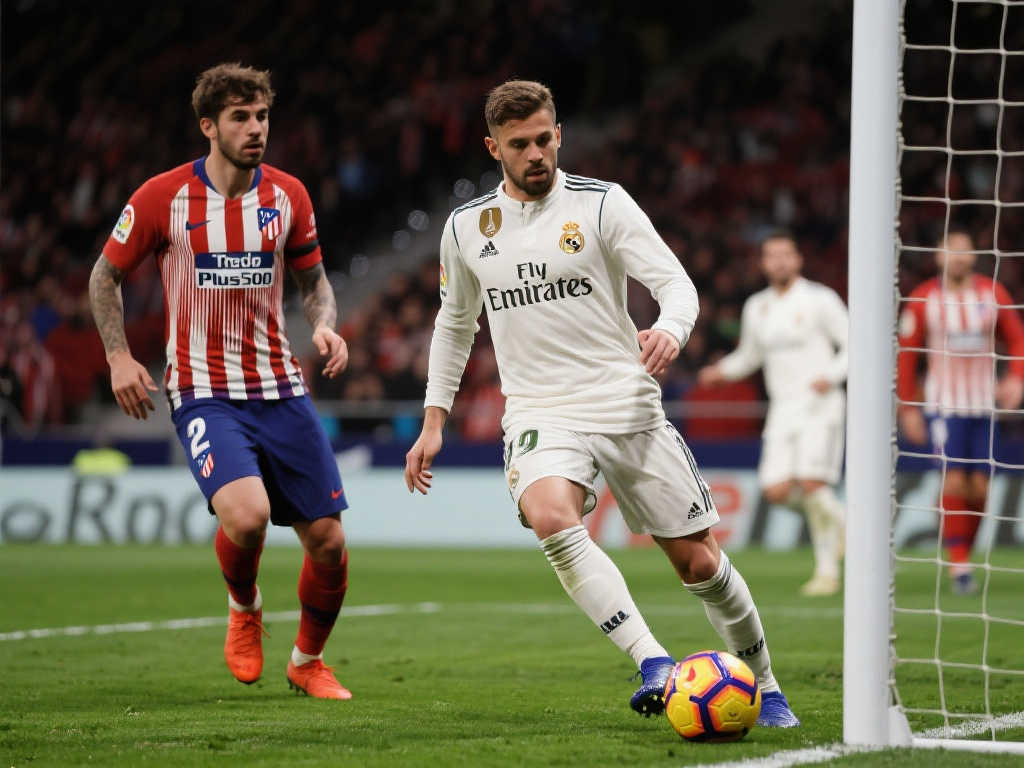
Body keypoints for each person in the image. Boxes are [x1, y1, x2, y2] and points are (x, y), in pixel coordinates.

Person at [404, 80, 799, 726]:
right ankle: (654, 662)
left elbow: (676, 284)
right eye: (519, 145)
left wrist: (670, 329)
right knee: (549, 517)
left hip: (624, 403)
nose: (536, 154)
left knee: (699, 563)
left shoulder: (601, 204)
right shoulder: (466, 227)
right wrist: (433, 420)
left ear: (558, 134)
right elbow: (454, 324)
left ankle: (768, 684)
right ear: (493, 148)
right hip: (539, 409)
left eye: (544, 139)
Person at [89, 63, 353, 699]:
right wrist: (119, 357)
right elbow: (104, 276)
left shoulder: (288, 196)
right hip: (203, 390)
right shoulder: (162, 197)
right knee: (248, 516)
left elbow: (314, 281)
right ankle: (244, 608)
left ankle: (307, 662)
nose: (256, 128)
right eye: (240, 117)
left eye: (262, 116)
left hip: (280, 387)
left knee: (328, 542)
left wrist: (325, 325)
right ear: (208, 125)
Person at [698, 232, 848, 596]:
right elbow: (750, 356)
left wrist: (830, 376)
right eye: (772, 255)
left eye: (785, 254)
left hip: (820, 405)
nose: (779, 261)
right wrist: (721, 371)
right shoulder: (757, 306)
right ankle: (848, 528)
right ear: (763, 263)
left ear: (798, 259)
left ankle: (826, 572)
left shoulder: (820, 299)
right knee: (777, 490)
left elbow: (854, 342)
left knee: (812, 484)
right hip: (783, 409)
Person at [897, 228, 1024, 594]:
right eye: (951, 250)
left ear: (974, 256)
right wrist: (908, 407)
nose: (958, 257)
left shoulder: (992, 293)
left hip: (983, 405)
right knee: (953, 480)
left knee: (980, 486)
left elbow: (1017, 339)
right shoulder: (923, 298)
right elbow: (907, 356)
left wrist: (1016, 378)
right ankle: (960, 566)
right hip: (943, 406)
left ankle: (962, 549)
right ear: (939, 256)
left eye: (964, 251)